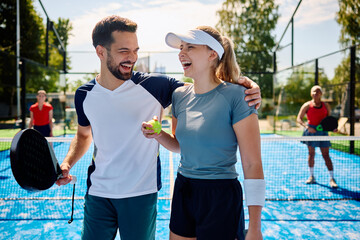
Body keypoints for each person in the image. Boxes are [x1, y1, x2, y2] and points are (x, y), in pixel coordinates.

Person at [55, 16, 262, 240]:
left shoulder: (157, 86)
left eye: (135, 50)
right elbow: (84, 135)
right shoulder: (84, 95)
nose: (132, 57)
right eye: (124, 51)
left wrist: (247, 84)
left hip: (145, 194)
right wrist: (67, 162)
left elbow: (208, 87)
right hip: (100, 193)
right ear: (101, 52)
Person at [142, 26, 265, 240]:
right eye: (181, 48)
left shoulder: (239, 96)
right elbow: (179, 145)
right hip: (184, 188)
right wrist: (158, 134)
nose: (181, 53)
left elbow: (253, 164)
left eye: (190, 47)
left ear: (212, 54)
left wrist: (255, 228)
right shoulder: (179, 96)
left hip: (220, 195)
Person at [297, 85, 338, 188]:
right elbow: (299, 118)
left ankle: (332, 179)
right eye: (314, 92)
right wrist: (307, 127)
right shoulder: (307, 105)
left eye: (318, 92)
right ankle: (311, 176)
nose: (316, 93)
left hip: (323, 133)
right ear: (311, 94)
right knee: (311, 154)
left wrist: (332, 128)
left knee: (326, 155)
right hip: (310, 132)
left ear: (321, 94)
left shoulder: (326, 105)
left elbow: (329, 120)